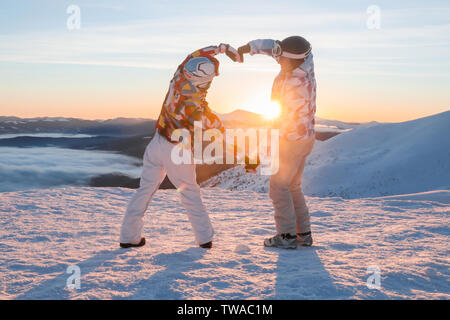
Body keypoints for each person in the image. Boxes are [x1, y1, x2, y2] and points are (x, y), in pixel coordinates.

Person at [120, 44, 241, 249]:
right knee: (190, 193)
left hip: (156, 143)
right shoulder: (195, 105)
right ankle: (204, 239)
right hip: (177, 150)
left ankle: (128, 237)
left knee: (145, 190)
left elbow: (193, 55)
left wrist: (221, 48)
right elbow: (213, 126)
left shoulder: (178, 78)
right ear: (204, 80)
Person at [239, 36, 317, 249]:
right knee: (293, 186)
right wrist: (247, 48)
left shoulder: (294, 86)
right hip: (306, 139)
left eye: (282, 59)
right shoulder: (303, 63)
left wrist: (256, 155)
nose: (278, 60)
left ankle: (287, 236)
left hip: (291, 141)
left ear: (293, 60)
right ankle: (304, 235)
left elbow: (277, 123)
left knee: (279, 188)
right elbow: (273, 47)